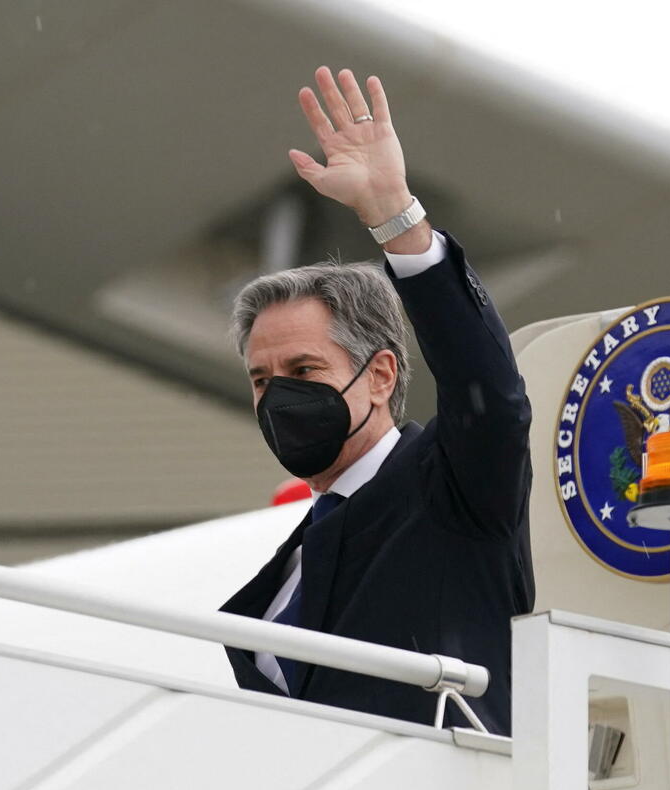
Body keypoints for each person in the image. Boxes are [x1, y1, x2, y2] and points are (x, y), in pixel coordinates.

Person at [220, 66, 533, 735]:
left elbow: (491, 395)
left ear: (381, 375)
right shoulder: (286, 570)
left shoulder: (453, 491)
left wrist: (396, 217)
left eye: (304, 368)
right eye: (261, 379)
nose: (279, 396)